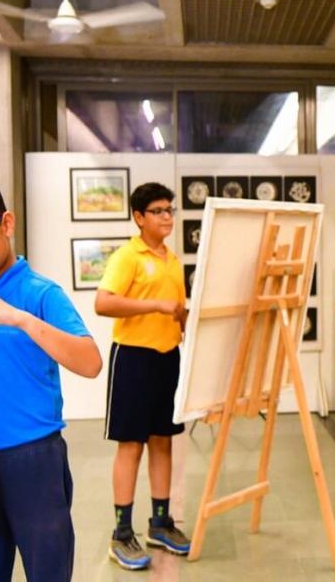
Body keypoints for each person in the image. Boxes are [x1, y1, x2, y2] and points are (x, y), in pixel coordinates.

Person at [0, 174, 103, 582]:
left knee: (47, 571)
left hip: (33, 460)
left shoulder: (41, 294)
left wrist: (21, 319)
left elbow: (91, 362)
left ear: (6, 224)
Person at [94, 183, 192, 570]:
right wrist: (155, 305)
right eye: (158, 211)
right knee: (131, 445)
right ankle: (121, 533)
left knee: (163, 441)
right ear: (139, 217)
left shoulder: (173, 260)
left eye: (170, 210)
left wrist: (189, 320)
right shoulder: (127, 257)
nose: (167, 217)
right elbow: (103, 303)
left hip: (168, 357)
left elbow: (177, 311)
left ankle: (160, 523)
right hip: (133, 358)